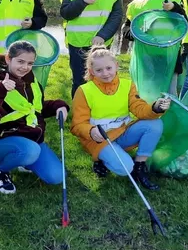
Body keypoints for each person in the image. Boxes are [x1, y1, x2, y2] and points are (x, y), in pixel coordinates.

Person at [0, 41, 69, 194]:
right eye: (20, 61)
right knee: (30, 151)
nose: (25, 67)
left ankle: (24, 160)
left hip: (30, 138)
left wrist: (58, 105)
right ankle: (0, 170)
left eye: (30, 63)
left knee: (56, 176)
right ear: (8, 59)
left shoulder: (31, 81)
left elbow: (36, 108)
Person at [70, 47, 170, 190]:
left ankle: (139, 167)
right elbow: (77, 125)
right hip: (99, 140)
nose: (105, 73)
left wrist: (155, 108)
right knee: (124, 169)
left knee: (155, 123)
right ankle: (102, 159)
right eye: (99, 70)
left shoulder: (127, 85)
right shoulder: (84, 91)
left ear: (116, 65)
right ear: (92, 71)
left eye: (109, 68)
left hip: (123, 133)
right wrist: (91, 131)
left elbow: (139, 109)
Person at [57, 0, 124, 97]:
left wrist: (103, 36)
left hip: (101, 42)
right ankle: (79, 115)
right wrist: (82, 0)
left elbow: (116, 15)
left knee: (103, 79)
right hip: (77, 42)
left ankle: (101, 112)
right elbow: (66, 13)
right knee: (80, 81)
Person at [122, 0, 187, 93]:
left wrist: (174, 8)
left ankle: (169, 112)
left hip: (169, 56)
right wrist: (137, 35)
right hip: (145, 56)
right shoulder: (136, 4)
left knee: (169, 94)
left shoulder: (176, 0)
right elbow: (126, 28)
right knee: (147, 93)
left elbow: (184, 24)